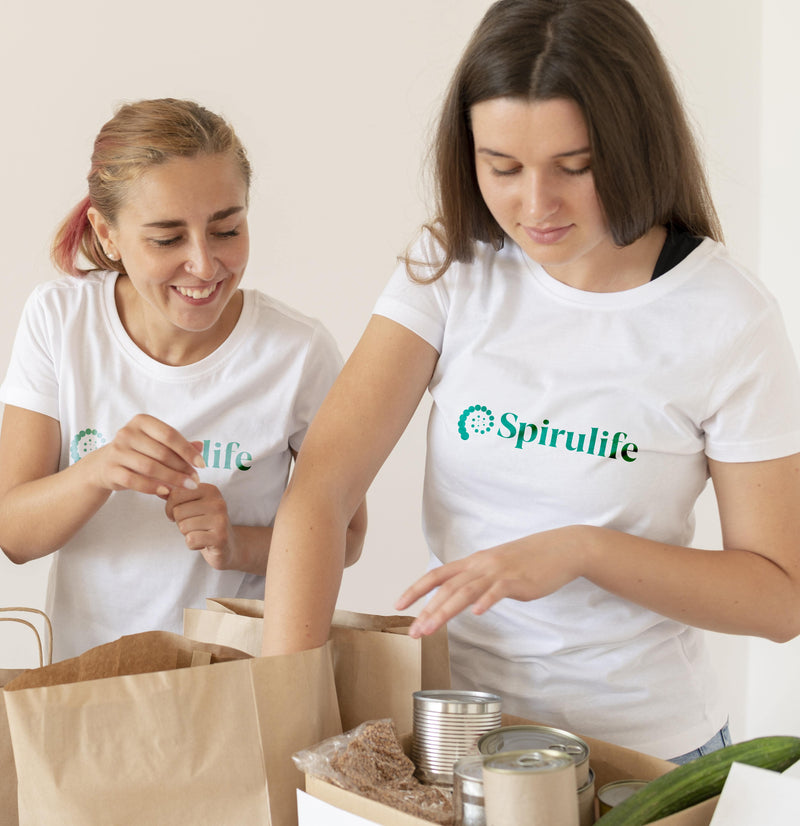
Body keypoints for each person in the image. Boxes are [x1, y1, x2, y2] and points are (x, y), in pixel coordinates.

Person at [261, 0, 800, 762]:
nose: (536, 205)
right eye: (503, 167)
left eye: (575, 167)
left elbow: (780, 597)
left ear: (635, 145)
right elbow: (321, 490)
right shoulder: (452, 266)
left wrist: (583, 551)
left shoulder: (726, 316)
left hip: (646, 762)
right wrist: (287, 735)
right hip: (459, 746)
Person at [0, 98, 366, 662]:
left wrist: (236, 545)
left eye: (227, 229)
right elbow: (14, 536)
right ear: (107, 233)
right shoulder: (60, 320)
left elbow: (348, 538)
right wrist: (99, 470)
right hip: (85, 687)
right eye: (168, 239)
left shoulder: (298, 352)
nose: (204, 264)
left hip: (236, 685)